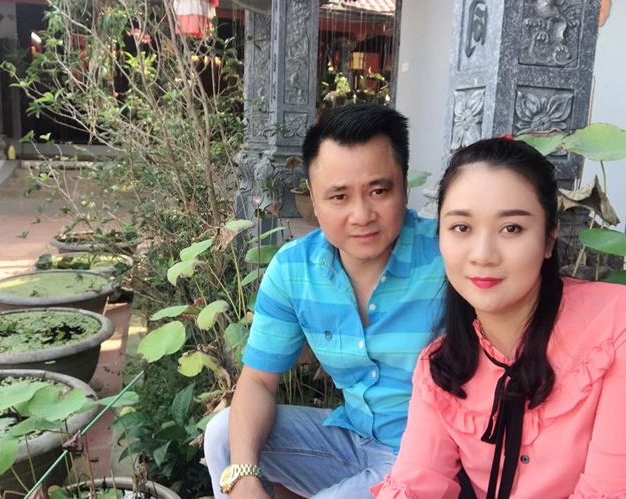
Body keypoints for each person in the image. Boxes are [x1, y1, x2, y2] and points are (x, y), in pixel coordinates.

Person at [204, 104, 445, 498]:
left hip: (431, 460)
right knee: (223, 437)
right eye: (339, 196)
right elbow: (258, 381)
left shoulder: (448, 256)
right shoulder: (294, 269)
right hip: (352, 441)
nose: (361, 215)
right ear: (313, 201)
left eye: (379, 191)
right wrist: (244, 477)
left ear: (404, 186)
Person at [372, 137, 626, 498]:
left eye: (511, 228)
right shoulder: (440, 367)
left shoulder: (615, 327)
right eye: (462, 228)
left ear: (549, 238)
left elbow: (610, 489)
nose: (482, 254)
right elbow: (414, 483)